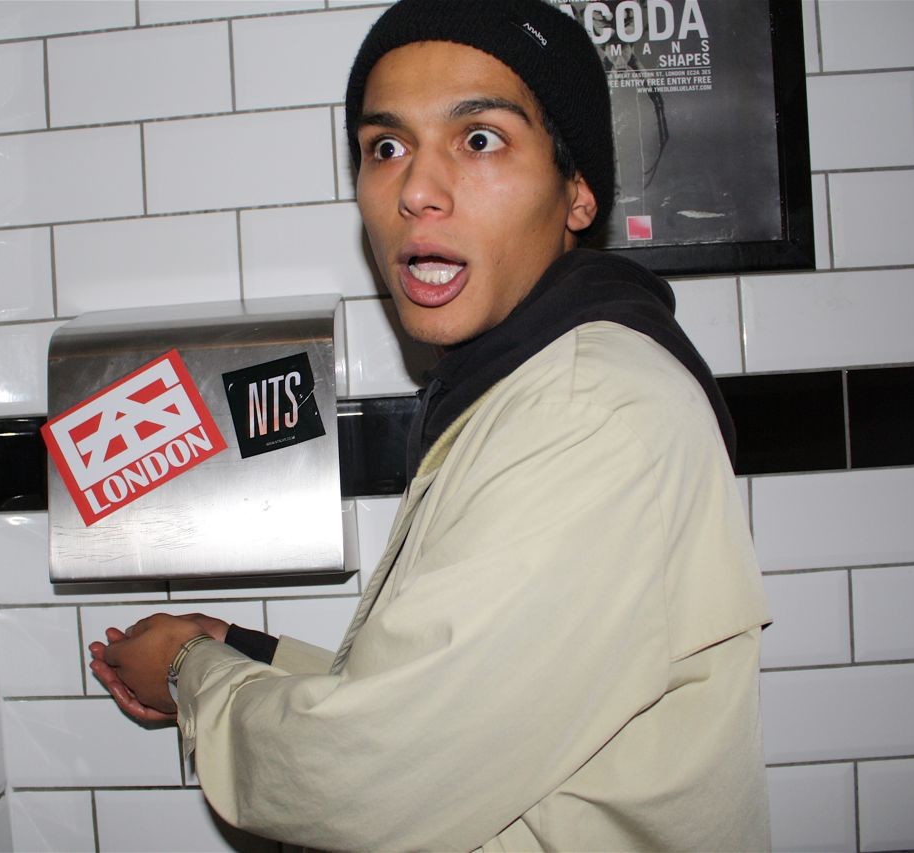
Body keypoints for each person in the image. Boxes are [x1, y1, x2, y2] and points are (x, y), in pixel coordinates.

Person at [89, 0, 771, 848]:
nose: (414, 189)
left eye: (479, 139)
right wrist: (239, 646)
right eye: (387, 147)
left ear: (577, 192)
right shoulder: (519, 389)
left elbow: (367, 777)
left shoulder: (587, 412)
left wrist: (189, 671)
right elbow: (437, 705)